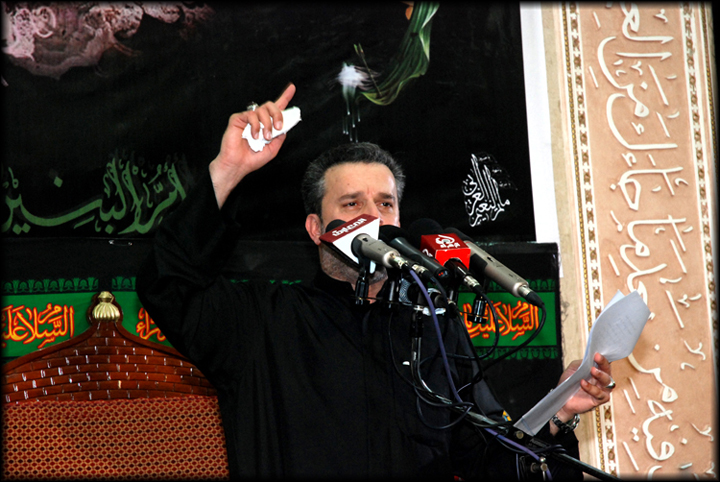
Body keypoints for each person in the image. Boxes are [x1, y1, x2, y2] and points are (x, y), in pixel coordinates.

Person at [136, 83, 616, 479]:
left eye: (385, 204)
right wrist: (229, 169)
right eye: (351, 204)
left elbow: (490, 462)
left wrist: (559, 412)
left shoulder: (433, 327)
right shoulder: (260, 322)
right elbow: (167, 283)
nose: (373, 216)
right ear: (315, 229)